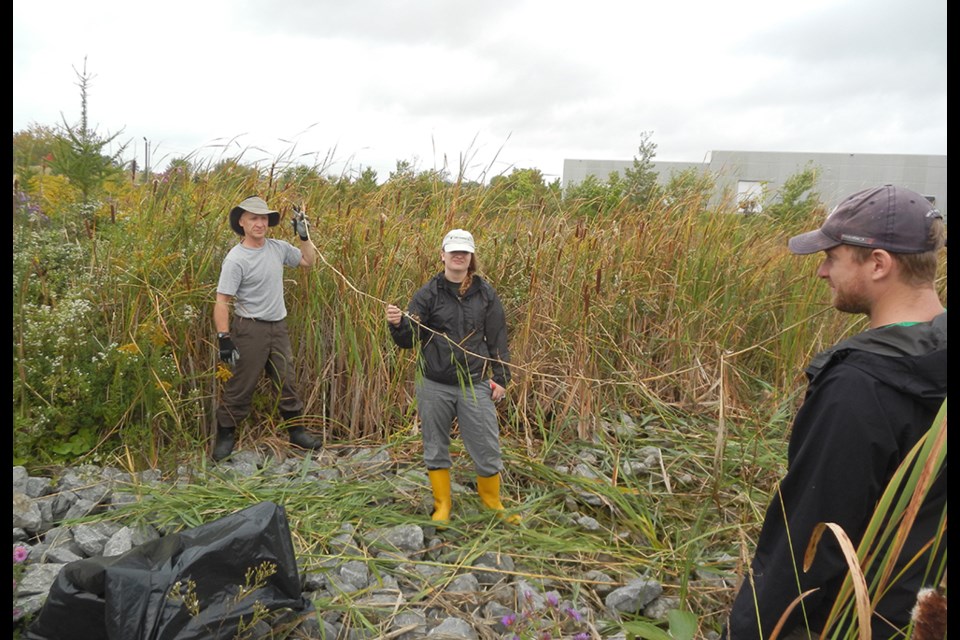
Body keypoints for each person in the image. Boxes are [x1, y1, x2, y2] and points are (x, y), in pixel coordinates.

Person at [723, 185, 947, 639]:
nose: (822, 271)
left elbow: (807, 543)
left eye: (833, 257)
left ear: (879, 263)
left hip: (855, 622)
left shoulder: (858, 386)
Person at [386, 229, 520, 524]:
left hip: (475, 382)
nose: (459, 256)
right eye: (454, 251)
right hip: (434, 384)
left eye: (464, 251)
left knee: (486, 445)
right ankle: (442, 505)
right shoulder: (428, 293)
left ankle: (492, 502)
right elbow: (410, 339)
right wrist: (398, 325)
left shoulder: (486, 294)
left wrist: (502, 378)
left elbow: (498, 339)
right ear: (443, 255)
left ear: (471, 258)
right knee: (435, 445)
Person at [212, 195, 323, 461]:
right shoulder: (236, 259)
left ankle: (296, 432)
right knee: (241, 385)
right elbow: (221, 301)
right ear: (242, 222)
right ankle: (225, 436)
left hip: (278, 327)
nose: (260, 223)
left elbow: (309, 262)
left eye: (263, 218)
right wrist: (224, 338)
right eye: (254, 218)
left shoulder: (278, 248)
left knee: (287, 381)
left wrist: (304, 237)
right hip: (249, 330)